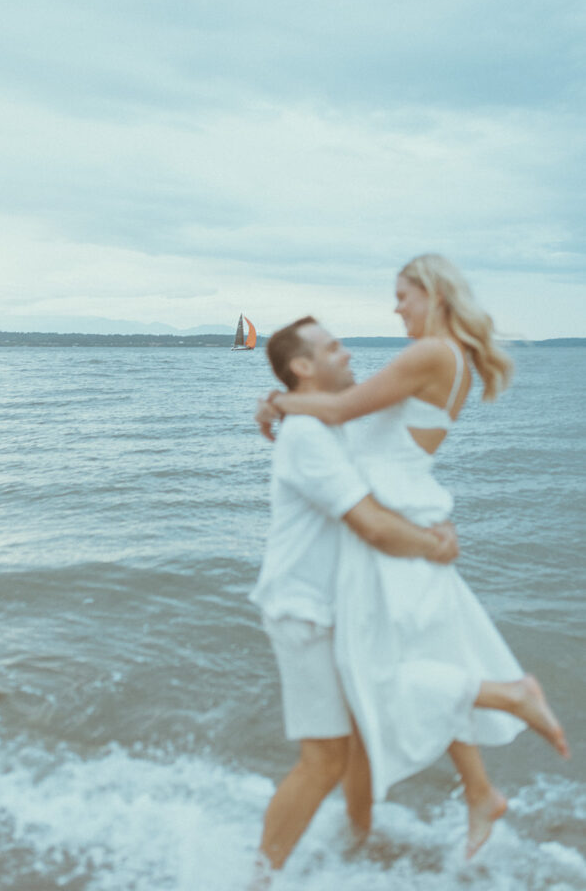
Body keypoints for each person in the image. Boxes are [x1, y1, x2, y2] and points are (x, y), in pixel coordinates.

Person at [255, 256, 569, 859]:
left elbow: (343, 411)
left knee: (393, 672)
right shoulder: (446, 357)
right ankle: (453, 801)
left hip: (395, 518)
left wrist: (278, 402)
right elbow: (348, 414)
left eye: (402, 295)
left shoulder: (431, 353)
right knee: (425, 657)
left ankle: (509, 700)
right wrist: (281, 403)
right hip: (409, 508)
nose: (395, 307)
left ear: (433, 293)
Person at [250, 315, 461, 885]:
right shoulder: (308, 437)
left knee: (364, 741)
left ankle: (358, 845)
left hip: (338, 609)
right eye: (334, 347)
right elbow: (370, 524)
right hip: (304, 612)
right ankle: (260, 877)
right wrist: (434, 548)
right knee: (323, 761)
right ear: (303, 366)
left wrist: (275, 401)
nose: (349, 354)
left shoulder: (327, 421)